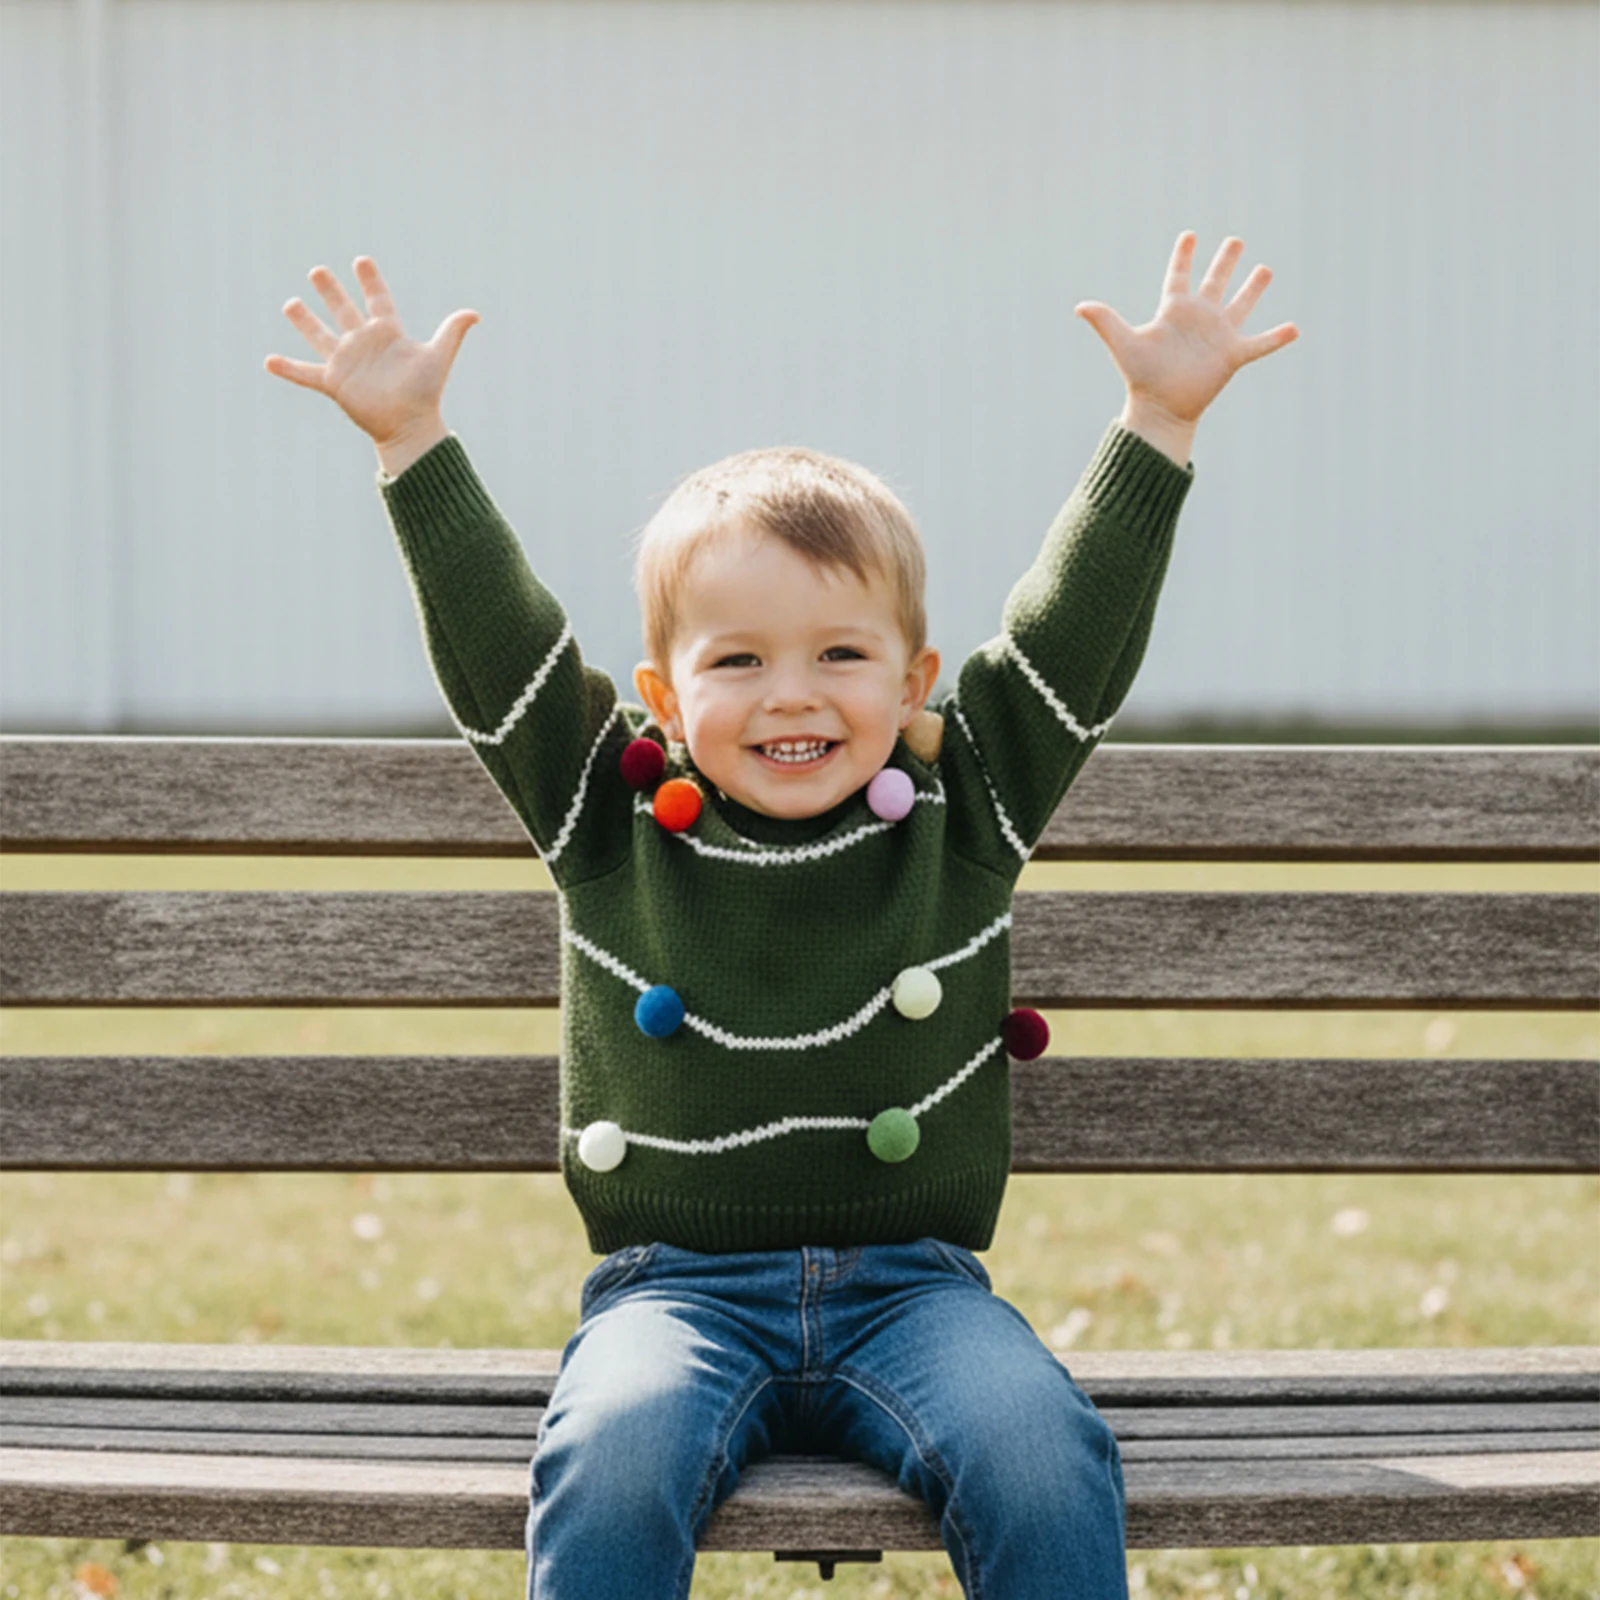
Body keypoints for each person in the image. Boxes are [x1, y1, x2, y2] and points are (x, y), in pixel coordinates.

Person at [265, 232, 1296, 1599]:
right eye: (737, 660)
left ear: (916, 673)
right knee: (613, 1459)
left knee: (1043, 1452)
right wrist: (414, 447)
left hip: (917, 1293)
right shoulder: (608, 805)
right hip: (675, 1296)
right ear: (666, 693)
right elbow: (500, 650)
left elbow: (1070, 639)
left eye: (841, 655)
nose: (792, 695)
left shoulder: (964, 792)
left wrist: (1156, 425)